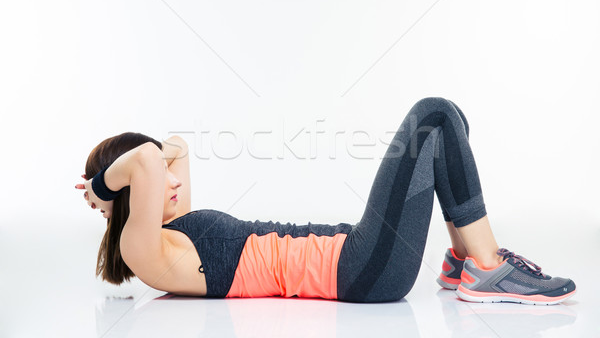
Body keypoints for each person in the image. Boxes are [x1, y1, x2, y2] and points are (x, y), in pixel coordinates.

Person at [75, 97, 576, 304]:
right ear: (129, 194)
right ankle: (487, 268)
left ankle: (463, 262)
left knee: (451, 127)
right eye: (154, 179)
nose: (170, 177)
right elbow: (145, 157)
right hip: (362, 269)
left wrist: (127, 180)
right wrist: (103, 190)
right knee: (435, 117)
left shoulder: (174, 230)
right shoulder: (145, 255)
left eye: (167, 175)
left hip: (359, 254)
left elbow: (171, 149)